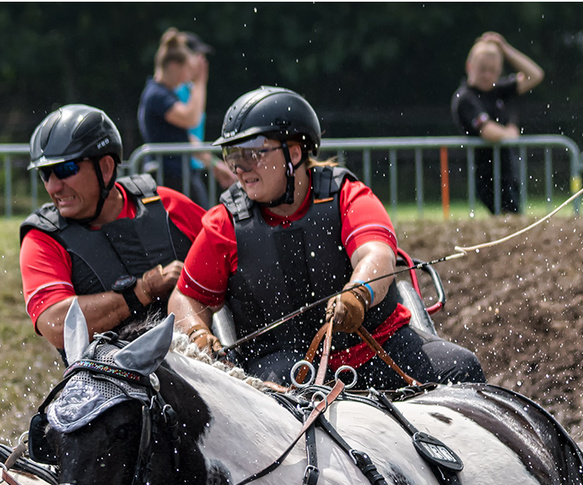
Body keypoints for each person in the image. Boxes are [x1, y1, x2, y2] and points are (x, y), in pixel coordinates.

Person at [170, 86, 484, 389]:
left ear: (293, 153)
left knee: (461, 366)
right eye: (233, 156)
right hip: (281, 366)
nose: (240, 168)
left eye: (253, 154)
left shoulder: (349, 196)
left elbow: (376, 254)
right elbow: (186, 296)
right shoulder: (223, 223)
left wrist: (358, 295)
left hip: (379, 349)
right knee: (283, 394)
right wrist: (197, 332)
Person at [19, 104, 206, 350]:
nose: (53, 187)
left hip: (199, 361)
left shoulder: (167, 204)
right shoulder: (42, 239)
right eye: (45, 174)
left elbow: (232, 257)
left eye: (65, 170)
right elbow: (58, 325)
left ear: (105, 168)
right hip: (106, 379)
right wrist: (143, 290)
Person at [450, 32, 544, 215]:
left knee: (515, 223)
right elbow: (488, 131)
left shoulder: (498, 90)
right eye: (482, 68)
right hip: (488, 179)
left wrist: (505, 49)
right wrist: (510, 134)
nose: (487, 75)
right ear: (470, 66)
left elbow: (535, 75)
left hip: (509, 173)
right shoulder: (465, 98)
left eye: (493, 70)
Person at [137, 29, 206, 199]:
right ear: (174, 65)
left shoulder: (165, 94)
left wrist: (216, 166)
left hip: (177, 176)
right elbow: (191, 119)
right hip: (170, 178)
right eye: (188, 69)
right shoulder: (157, 95)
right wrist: (199, 83)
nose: (188, 77)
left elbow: (185, 138)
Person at [174, 32, 235, 203]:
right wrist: (215, 165)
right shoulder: (177, 91)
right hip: (180, 172)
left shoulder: (190, 89)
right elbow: (188, 134)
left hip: (191, 170)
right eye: (197, 55)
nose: (203, 61)